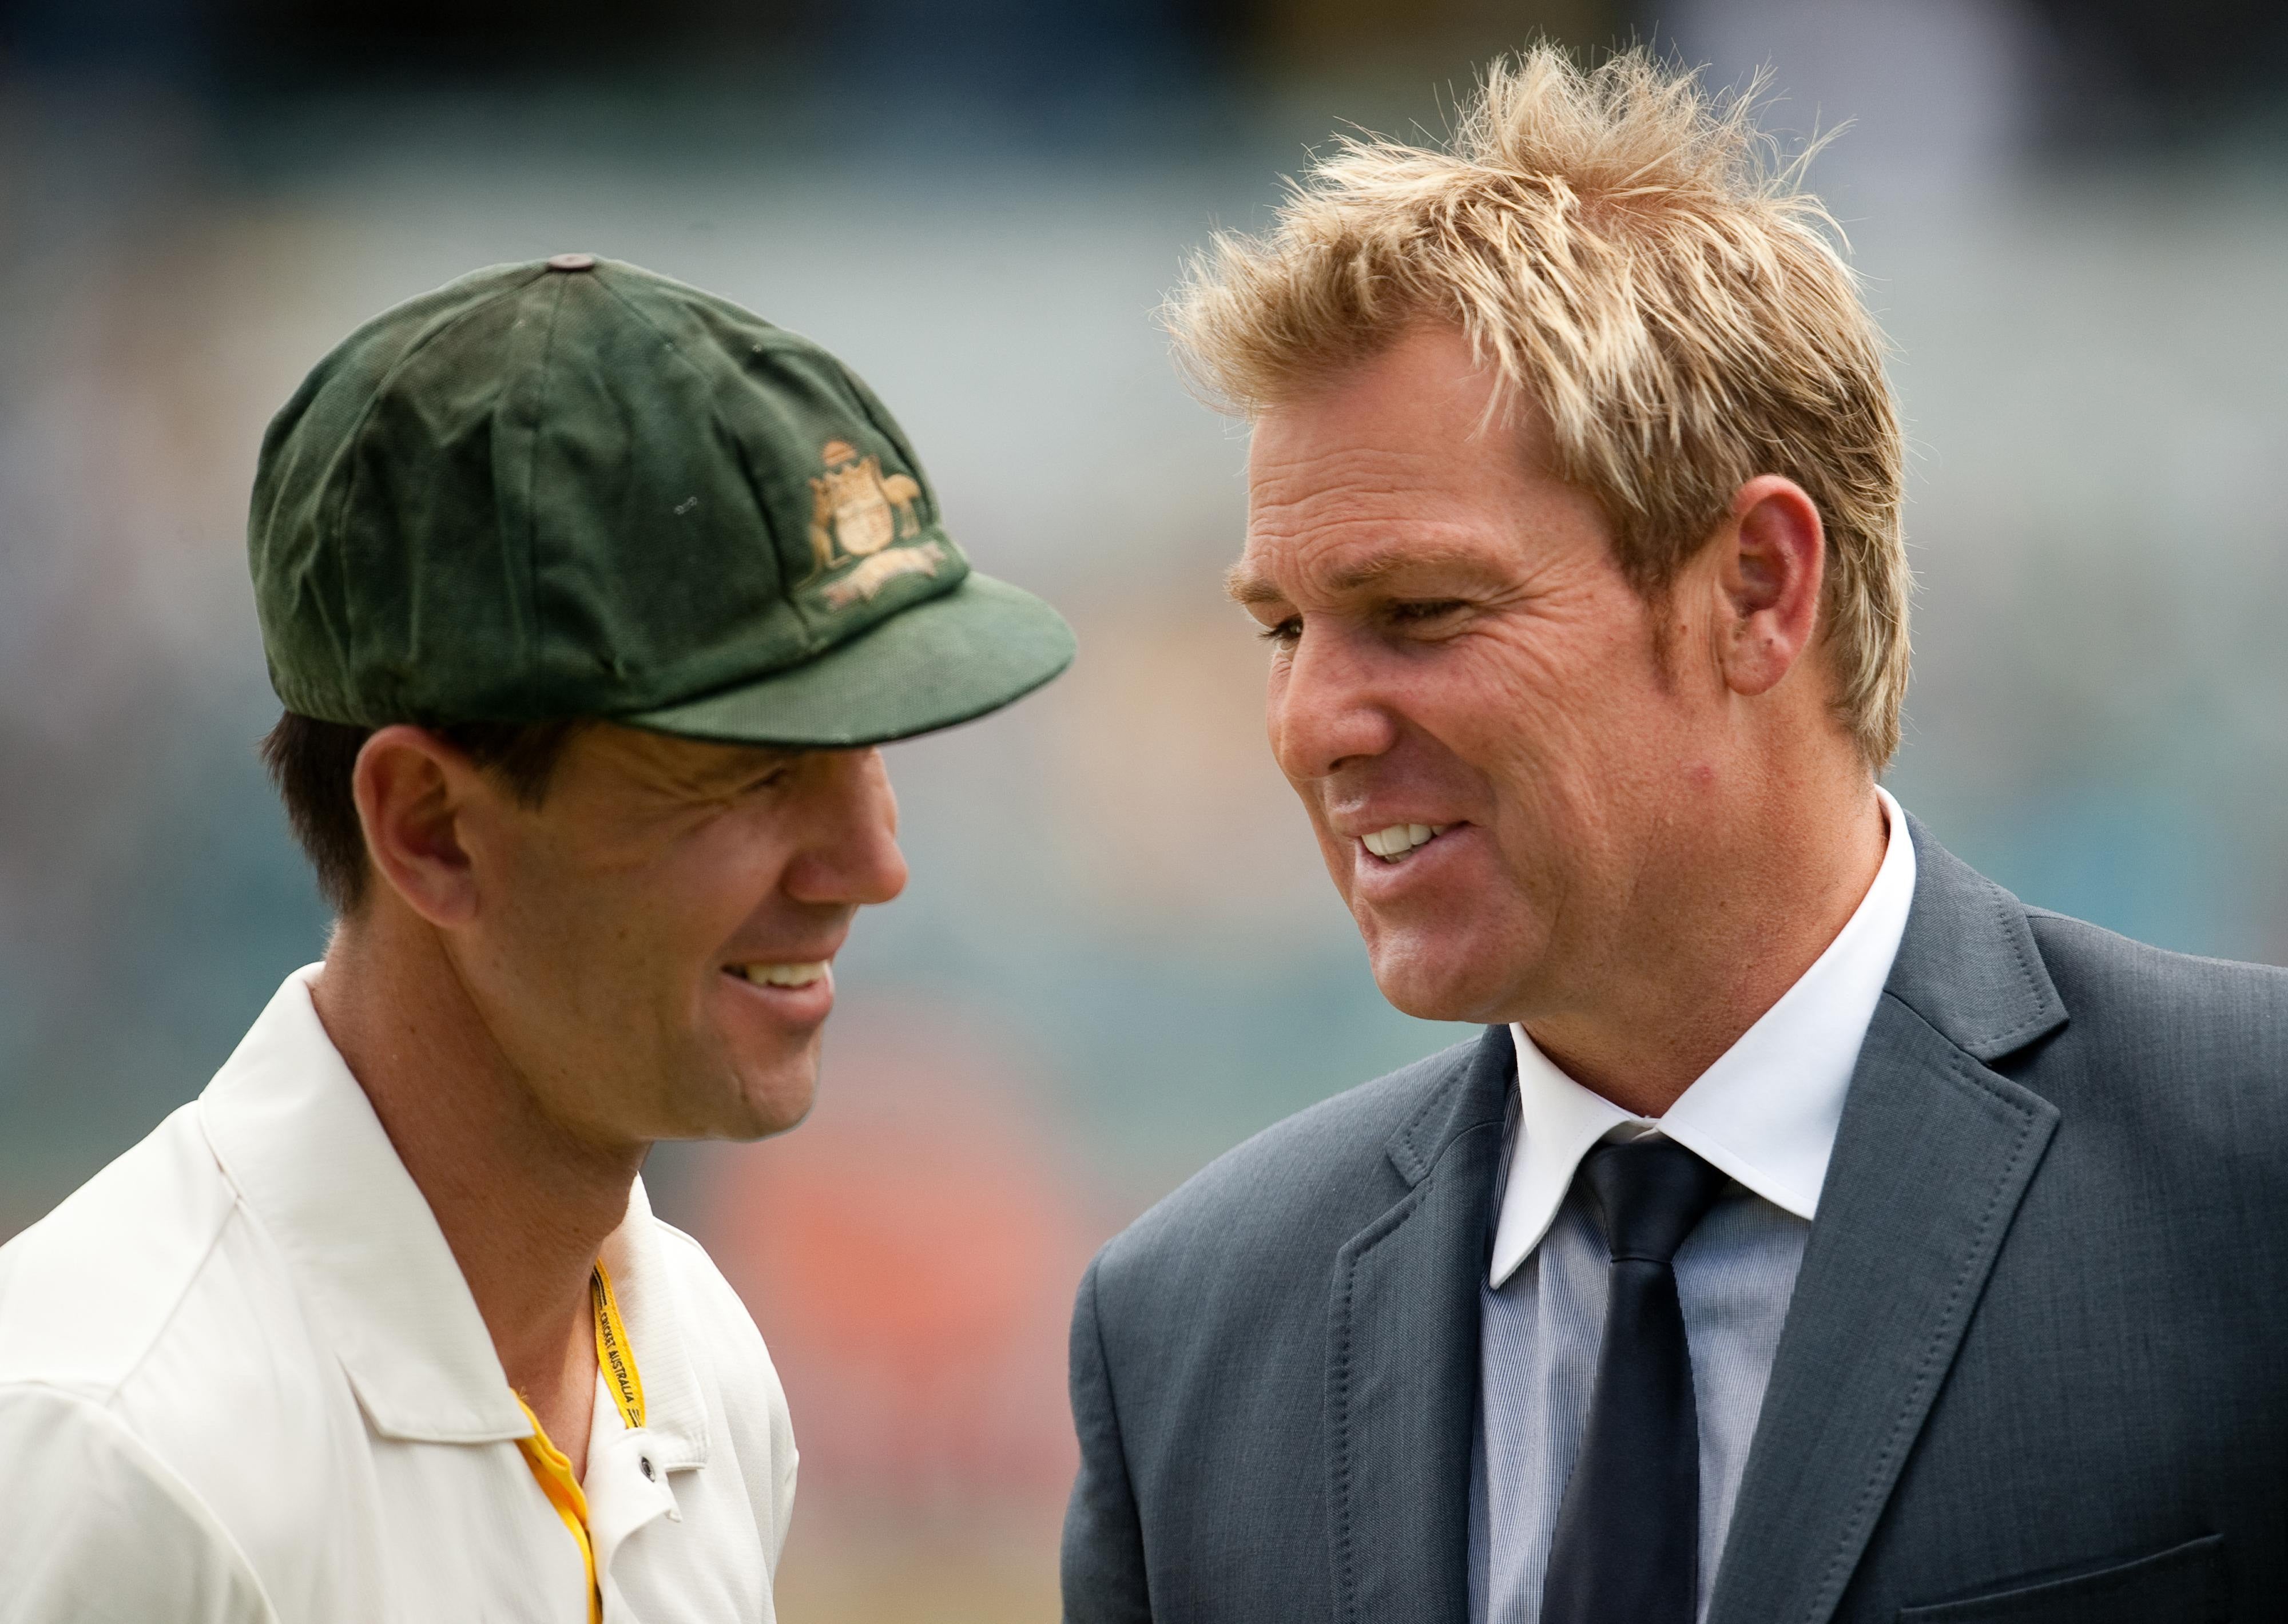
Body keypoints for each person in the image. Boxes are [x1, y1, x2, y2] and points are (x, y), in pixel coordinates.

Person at [1060, 47, 2288, 1624]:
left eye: (1420, 614)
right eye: (1283, 629)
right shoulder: (1188, 1338)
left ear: (1760, 589)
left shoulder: (2245, 1179)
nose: (1313, 723)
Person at [0, 254, 1074, 1622]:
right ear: (431, 827)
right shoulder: (116, 1451)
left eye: (866, 751)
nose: (874, 864)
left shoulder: (692, 1354)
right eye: (751, 769)